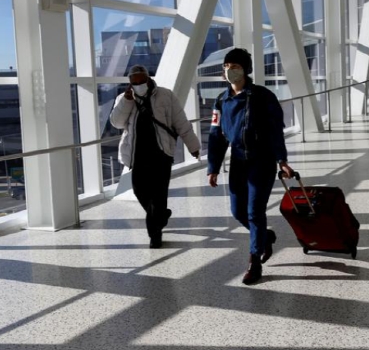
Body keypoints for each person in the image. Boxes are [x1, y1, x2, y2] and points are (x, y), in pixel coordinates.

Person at [207, 48, 295, 285]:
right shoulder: (221, 101)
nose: (229, 71)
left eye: (234, 66)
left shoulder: (263, 96)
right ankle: (265, 236)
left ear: (246, 69)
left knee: (255, 211)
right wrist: (213, 167)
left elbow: (276, 130)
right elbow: (216, 135)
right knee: (238, 211)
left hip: (262, 160)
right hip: (238, 161)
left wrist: (281, 160)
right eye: (226, 67)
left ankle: (254, 261)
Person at [110, 65, 201, 248]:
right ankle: (160, 216)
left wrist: (193, 146)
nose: (138, 85)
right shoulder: (124, 98)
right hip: (137, 155)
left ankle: (155, 234)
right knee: (139, 191)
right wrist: (126, 101)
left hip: (161, 153)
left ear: (148, 79)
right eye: (134, 83)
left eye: (141, 81)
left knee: (158, 195)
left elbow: (180, 122)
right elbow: (117, 123)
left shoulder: (165, 95)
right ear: (130, 84)